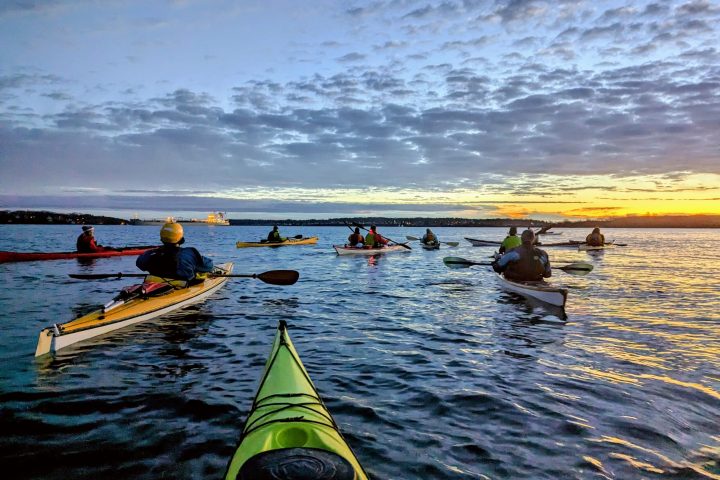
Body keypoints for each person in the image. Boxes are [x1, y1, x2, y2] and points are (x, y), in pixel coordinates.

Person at [136, 222, 214, 283]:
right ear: (181, 239)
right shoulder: (189, 253)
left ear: (161, 239)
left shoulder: (150, 254)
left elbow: (139, 264)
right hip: (183, 286)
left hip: (156, 285)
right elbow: (209, 266)